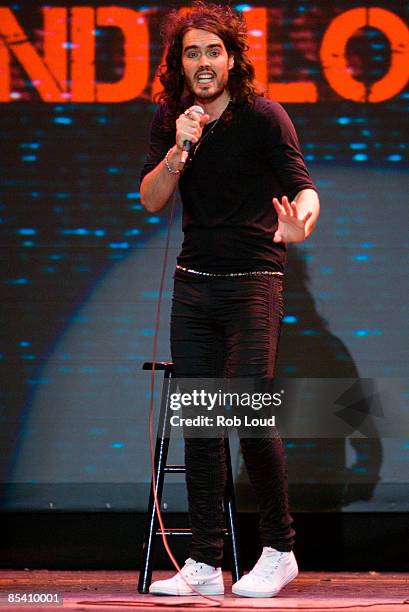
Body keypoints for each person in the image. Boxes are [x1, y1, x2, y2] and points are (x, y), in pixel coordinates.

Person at [140, 1, 320, 599]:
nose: (203, 61)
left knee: (246, 414)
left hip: (253, 283)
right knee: (201, 422)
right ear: (179, 64)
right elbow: (151, 198)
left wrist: (302, 224)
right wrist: (179, 148)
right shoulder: (173, 119)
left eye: (213, 50)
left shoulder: (264, 116)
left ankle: (280, 549)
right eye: (191, 52)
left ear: (233, 57)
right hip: (195, 285)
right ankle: (204, 561)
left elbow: (303, 187)